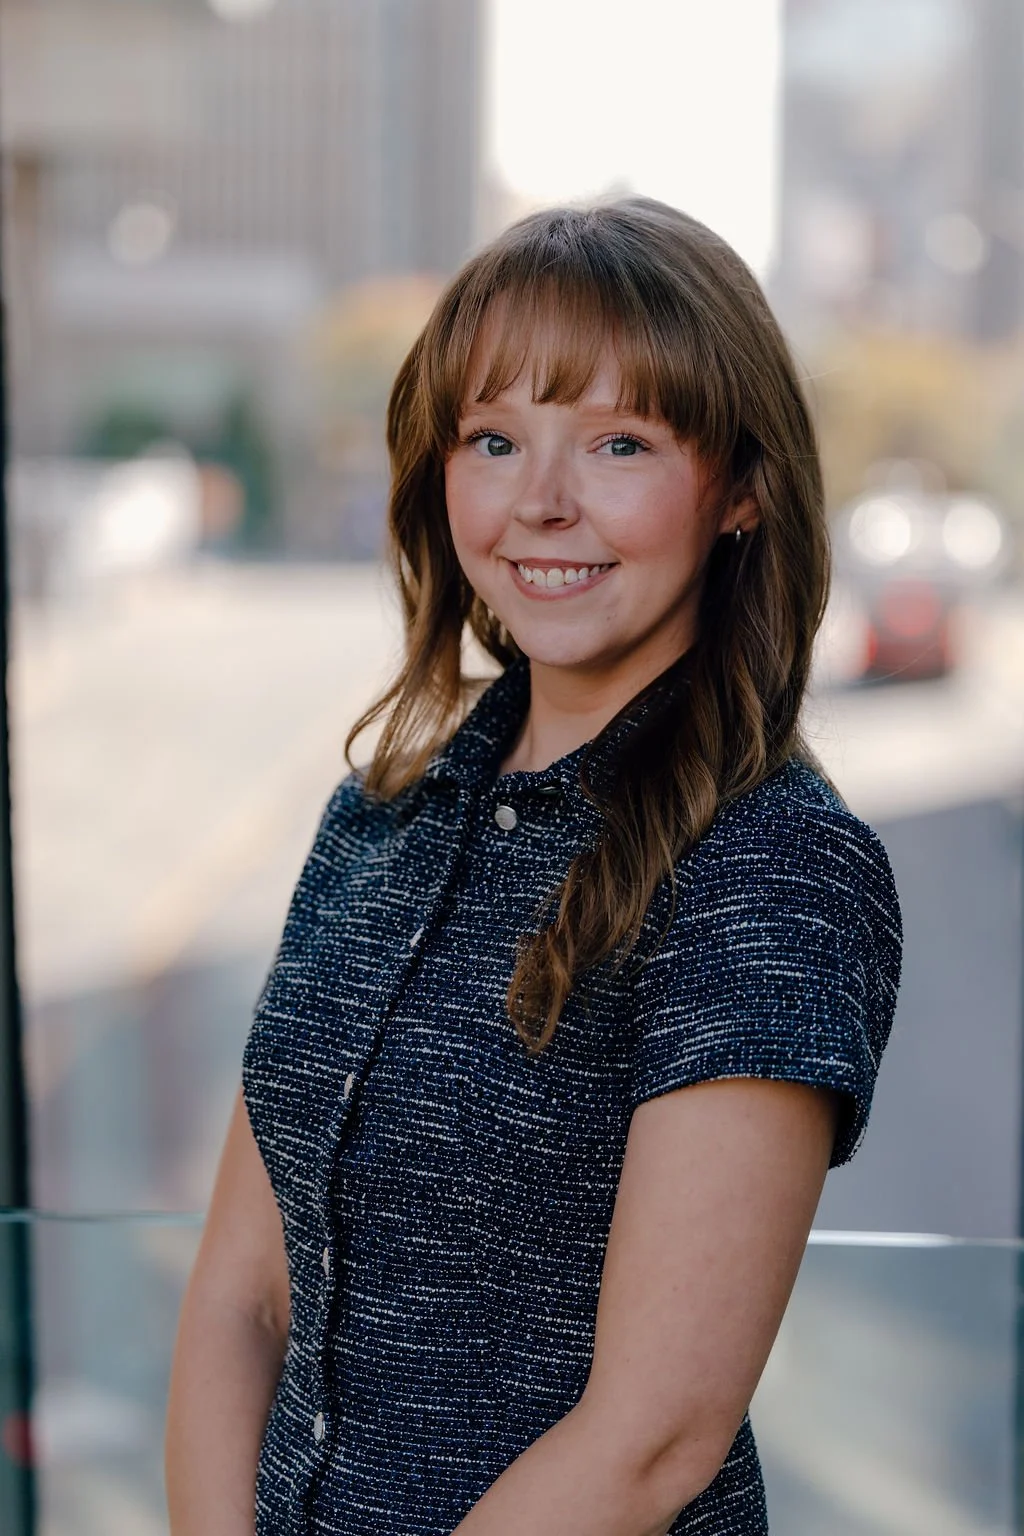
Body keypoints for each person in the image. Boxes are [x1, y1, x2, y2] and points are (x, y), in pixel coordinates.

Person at [165, 196, 902, 1536]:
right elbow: (239, 1292)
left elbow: (652, 1443)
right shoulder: (380, 817)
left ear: (740, 488)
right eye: (495, 439)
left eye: (620, 441)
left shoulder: (772, 864)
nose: (541, 501)